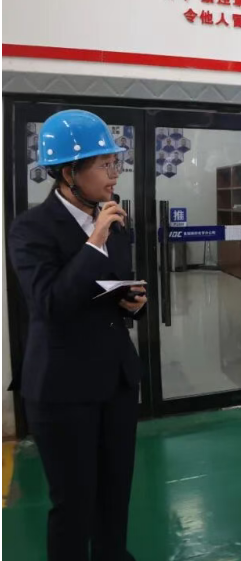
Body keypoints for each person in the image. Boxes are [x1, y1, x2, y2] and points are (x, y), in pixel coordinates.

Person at [8, 110, 147, 560]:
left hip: (115, 380)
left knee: (115, 491)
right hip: (62, 388)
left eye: (115, 162)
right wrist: (93, 242)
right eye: (104, 164)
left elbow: (109, 290)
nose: (114, 174)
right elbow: (49, 303)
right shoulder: (30, 229)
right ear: (69, 173)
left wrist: (133, 303)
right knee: (73, 503)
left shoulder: (114, 220)